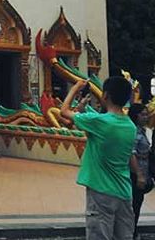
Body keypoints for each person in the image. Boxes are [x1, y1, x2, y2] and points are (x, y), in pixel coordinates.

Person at [60, 76, 142, 240]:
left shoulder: (100, 123)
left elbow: (64, 111)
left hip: (101, 193)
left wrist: (75, 88)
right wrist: (83, 108)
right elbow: (99, 122)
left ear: (105, 96)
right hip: (124, 192)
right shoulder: (129, 126)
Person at [128, 103, 152, 237]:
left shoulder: (142, 130)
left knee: (137, 203)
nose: (146, 117)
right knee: (134, 204)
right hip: (135, 173)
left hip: (143, 170)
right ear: (135, 115)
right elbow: (132, 152)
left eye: (146, 114)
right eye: (143, 114)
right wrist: (139, 175)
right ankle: (130, 232)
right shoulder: (134, 131)